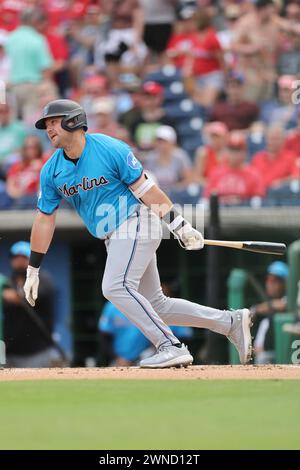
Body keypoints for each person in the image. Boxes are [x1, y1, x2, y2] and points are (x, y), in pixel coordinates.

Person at [23, 98, 252, 368]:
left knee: (114, 286)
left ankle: (170, 345)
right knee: (157, 305)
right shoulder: (51, 170)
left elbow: (146, 190)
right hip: (114, 236)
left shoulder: (110, 148)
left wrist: (179, 225)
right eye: (46, 125)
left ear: (74, 121)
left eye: (54, 122)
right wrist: (33, 269)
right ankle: (230, 322)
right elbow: (44, 219)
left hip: (136, 221)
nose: (49, 129)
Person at [2, 241, 55, 368]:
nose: (19, 261)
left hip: (37, 350)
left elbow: (31, 296)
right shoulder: (6, 282)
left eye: (24, 258)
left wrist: (14, 296)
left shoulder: (43, 279)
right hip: (10, 351)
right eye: (15, 258)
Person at [251, 261, 289, 364]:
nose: (269, 284)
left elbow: (284, 304)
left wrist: (256, 309)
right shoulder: (266, 320)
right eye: (269, 280)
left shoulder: (293, 300)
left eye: (274, 281)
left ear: (285, 283)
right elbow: (258, 349)